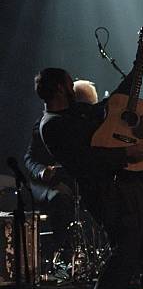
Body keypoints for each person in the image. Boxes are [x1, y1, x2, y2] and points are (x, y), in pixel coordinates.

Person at [35, 47, 143, 289]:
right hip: (106, 196)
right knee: (124, 255)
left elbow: (114, 103)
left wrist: (138, 67)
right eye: (69, 81)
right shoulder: (53, 126)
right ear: (62, 88)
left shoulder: (77, 111)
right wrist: (126, 153)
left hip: (130, 185)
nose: (74, 83)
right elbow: (85, 161)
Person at [24, 80, 100, 258]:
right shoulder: (48, 123)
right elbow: (29, 158)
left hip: (72, 181)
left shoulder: (89, 126)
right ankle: (63, 254)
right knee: (60, 197)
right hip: (45, 183)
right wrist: (42, 171)